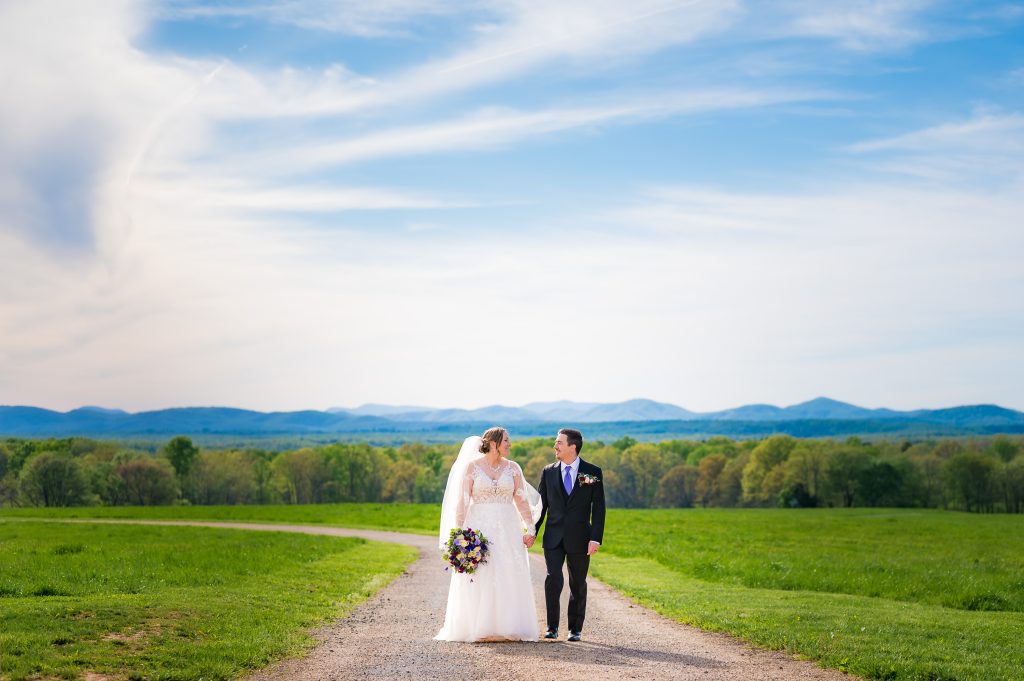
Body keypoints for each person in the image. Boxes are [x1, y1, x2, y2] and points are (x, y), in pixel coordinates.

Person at [435, 427, 541, 642]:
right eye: (506, 440)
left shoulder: (513, 468)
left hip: (508, 527)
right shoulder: (471, 468)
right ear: (493, 443)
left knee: (508, 571)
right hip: (478, 526)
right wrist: (459, 535)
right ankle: (479, 626)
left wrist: (530, 528)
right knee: (482, 573)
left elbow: (521, 499)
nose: (509, 444)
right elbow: (462, 503)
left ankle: (509, 626)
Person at [534, 428, 605, 642]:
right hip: (553, 538)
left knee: (577, 583)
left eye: (559, 443)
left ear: (572, 446)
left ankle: (575, 629)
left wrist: (595, 538)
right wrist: (531, 532)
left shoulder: (592, 472)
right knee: (553, 579)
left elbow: (599, 508)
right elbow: (540, 507)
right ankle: (552, 627)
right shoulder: (548, 471)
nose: (555, 446)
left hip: (580, 539)